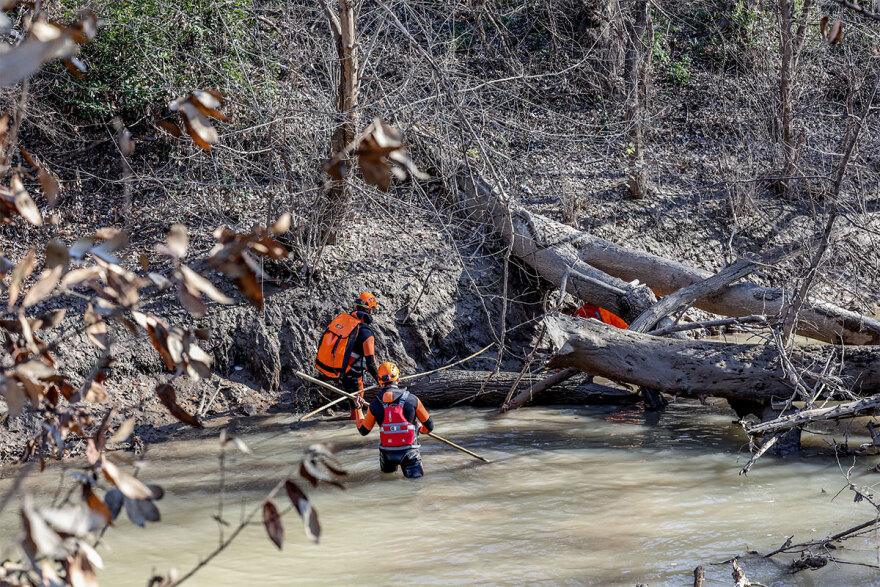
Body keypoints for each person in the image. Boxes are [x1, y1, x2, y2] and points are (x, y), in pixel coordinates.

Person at [354, 362, 433, 479]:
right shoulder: (412, 400)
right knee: (416, 487)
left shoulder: (375, 404)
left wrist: (358, 409)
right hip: (410, 453)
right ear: (398, 379)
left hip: (387, 454)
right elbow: (429, 426)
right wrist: (421, 429)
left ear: (380, 382)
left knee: (388, 484)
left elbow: (363, 430)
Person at [315, 292, 380, 418]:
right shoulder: (366, 333)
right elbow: (371, 363)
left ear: (356, 307)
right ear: (370, 310)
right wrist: (381, 381)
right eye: (372, 309)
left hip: (341, 371)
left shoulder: (346, 322)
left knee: (353, 407)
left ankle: (351, 416)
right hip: (354, 376)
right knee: (358, 414)